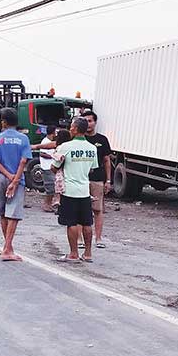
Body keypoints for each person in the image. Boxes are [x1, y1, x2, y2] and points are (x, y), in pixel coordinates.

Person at [53, 118, 97, 262]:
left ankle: (73, 253)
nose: (70, 129)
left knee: (71, 222)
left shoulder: (65, 147)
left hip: (69, 190)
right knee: (87, 222)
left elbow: (54, 167)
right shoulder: (92, 148)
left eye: (71, 127)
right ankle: (88, 253)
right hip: (84, 190)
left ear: (76, 129)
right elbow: (92, 169)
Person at [0, 108, 32, 262]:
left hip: (0, 177)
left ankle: (7, 247)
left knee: (3, 212)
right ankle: (8, 249)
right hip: (17, 178)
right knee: (13, 213)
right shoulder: (23, 138)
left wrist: (7, 175)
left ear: (4, 122)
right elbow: (23, 161)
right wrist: (14, 181)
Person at [81, 111, 112, 249]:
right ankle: (80, 239)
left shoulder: (102, 140)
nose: (88, 124)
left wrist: (108, 181)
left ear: (95, 122)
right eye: (85, 121)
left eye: (90, 121)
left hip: (97, 179)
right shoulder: (79, 139)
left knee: (97, 209)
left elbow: (106, 160)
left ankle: (98, 238)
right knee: (81, 210)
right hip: (81, 179)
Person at [32, 126, 58, 212]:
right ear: (53, 132)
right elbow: (42, 153)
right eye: (55, 132)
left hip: (51, 167)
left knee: (52, 187)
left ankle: (49, 204)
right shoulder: (45, 142)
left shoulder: (50, 142)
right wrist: (53, 156)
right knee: (50, 188)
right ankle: (46, 205)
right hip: (47, 167)